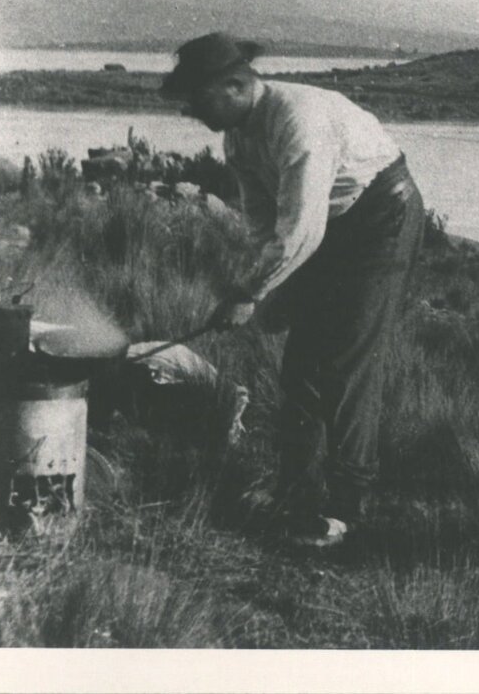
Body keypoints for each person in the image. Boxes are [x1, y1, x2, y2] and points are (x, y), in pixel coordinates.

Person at [161, 31, 424, 549]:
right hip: (327, 227)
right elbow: (266, 226)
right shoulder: (237, 136)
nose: (190, 109)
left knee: (347, 365)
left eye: (198, 98)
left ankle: (345, 511)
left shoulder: (298, 121)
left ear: (235, 84)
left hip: (380, 220)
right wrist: (262, 289)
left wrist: (250, 295)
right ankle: (297, 499)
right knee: (301, 364)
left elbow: (302, 228)